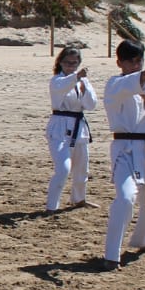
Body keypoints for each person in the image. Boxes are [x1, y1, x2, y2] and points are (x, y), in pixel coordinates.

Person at [101, 40, 145, 269]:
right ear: (119, 62)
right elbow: (128, 86)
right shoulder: (115, 84)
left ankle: (143, 239)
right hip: (125, 150)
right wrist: (143, 76)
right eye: (130, 61)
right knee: (125, 197)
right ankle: (111, 255)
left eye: (138, 60)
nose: (135, 65)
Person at [45, 46, 98, 213]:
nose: (71, 66)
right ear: (60, 63)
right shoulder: (56, 80)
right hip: (59, 127)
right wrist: (76, 77)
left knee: (82, 167)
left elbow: (91, 104)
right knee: (63, 168)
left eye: (74, 63)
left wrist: (84, 88)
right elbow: (61, 87)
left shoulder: (82, 82)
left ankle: (79, 198)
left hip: (78, 126)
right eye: (67, 63)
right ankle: (51, 206)